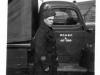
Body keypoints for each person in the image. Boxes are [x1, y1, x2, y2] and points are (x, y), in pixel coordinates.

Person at [33, 11, 58, 75]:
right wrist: (45, 65)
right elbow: (40, 50)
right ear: (45, 20)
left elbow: (53, 45)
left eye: (53, 19)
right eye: (49, 19)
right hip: (43, 62)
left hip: (50, 60)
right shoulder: (41, 32)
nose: (52, 21)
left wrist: (55, 56)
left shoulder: (49, 29)